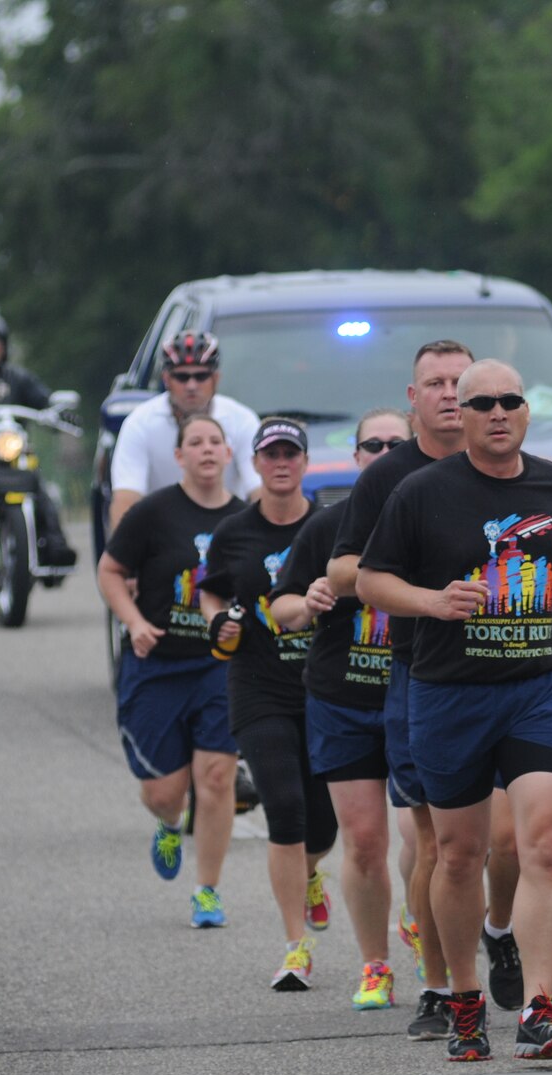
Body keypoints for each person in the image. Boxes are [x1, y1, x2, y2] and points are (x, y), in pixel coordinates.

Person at [358, 359, 552, 1063]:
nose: (499, 412)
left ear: (527, 412)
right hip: (448, 694)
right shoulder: (420, 492)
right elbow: (371, 581)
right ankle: (464, 998)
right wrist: (433, 601)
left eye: (511, 401)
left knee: (543, 843)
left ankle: (540, 1007)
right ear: (459, 416)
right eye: (483, 403)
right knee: (460, 854)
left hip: (536, 690)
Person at [327, 339, 477, 1040]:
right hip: (422, 669)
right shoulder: (389, 476)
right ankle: (439, 986)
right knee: (436, 842)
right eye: (435, 383)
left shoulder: (508, 465)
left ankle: (499, 935)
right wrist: (417, 582)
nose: (449, 393)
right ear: (414, 397)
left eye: (459, 382)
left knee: (513, 841)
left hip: (513, 669)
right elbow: (346, 570)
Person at [271, 409, 411, 1010]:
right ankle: (375, 964)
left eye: (396, 443)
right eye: (372, 444)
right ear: (356, 457)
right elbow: (280, 610)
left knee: (426, 837)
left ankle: (421, 918)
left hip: (418, 695)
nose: (384, 453)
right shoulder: (327, 527)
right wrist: (308, 601)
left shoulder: (433, 516)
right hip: (342, 700)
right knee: (365, 841)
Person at [197, 417, 338, 991]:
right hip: (258, 686)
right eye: (271, 454)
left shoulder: (330, 527)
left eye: (290, 454)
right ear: (254, 463)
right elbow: (211, 591)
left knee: (322, 827)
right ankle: (294, 948)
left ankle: (311, 872)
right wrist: (218, 624)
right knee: (283, 808)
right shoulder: (234, 532)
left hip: (325, 687)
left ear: (305, 463)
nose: (281, 463)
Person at [96, 413, 245, 926]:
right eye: (195, 443)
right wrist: (134, 621)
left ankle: (207, 891)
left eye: (215, 442)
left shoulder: (243, 520)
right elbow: (110, 570)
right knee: (165, 792)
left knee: (217, 777)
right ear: (179, 456)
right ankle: (168, 822)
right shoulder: (153, 513)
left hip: (218, 666)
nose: (206, 450)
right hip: (156, 662)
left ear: (228, 454)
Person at [108, 331, 261, 530]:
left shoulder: (242, 420)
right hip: (163, 535)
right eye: (182, 377)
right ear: (166, 379)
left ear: (216, 378)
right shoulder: (139, 423)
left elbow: (260, 492)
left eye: (201, 376)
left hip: (227, 532)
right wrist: (124, 547)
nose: (191, 385)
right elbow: (126, 499)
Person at [0, 310, 74, 568]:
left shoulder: (17, 378)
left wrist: (58, 412)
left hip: (12, 456)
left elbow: (44, 401)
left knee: (38, 485)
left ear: (4, 346)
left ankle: (54, 545)